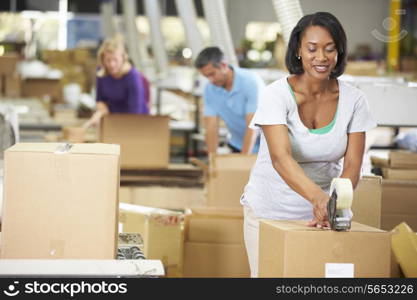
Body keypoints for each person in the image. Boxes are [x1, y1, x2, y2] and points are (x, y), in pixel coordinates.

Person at [240, 12, 377, 277]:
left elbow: (352, 164)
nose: (321, 57)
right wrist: (319, 199)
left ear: (339, 52)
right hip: (270, 211)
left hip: (322, 219)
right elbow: (281, 159)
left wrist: (335, 206)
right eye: (312, 49)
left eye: (329, 49)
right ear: (299, 51)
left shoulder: (355, 100)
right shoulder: (276, 95)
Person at [195, 47, 265, 154]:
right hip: (238, 144)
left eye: (212, 74)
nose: (210, 80)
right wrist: (212, 160)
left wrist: (243, 159)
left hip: (267, 147)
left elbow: (253, 126)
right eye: (206, 76)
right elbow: (211, 127)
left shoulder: (251, 82)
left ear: (223, 65)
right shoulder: (210, 89)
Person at [83, 35, 149, 129]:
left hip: (134, 123)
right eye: (108, 60)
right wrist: (100, 111)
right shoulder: (101, 73)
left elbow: (135, 112)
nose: (112, 64)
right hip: (112, 121)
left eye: (115, 60)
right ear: (102, 60)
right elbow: (99, 99)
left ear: (123, 59)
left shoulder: (132, 77)